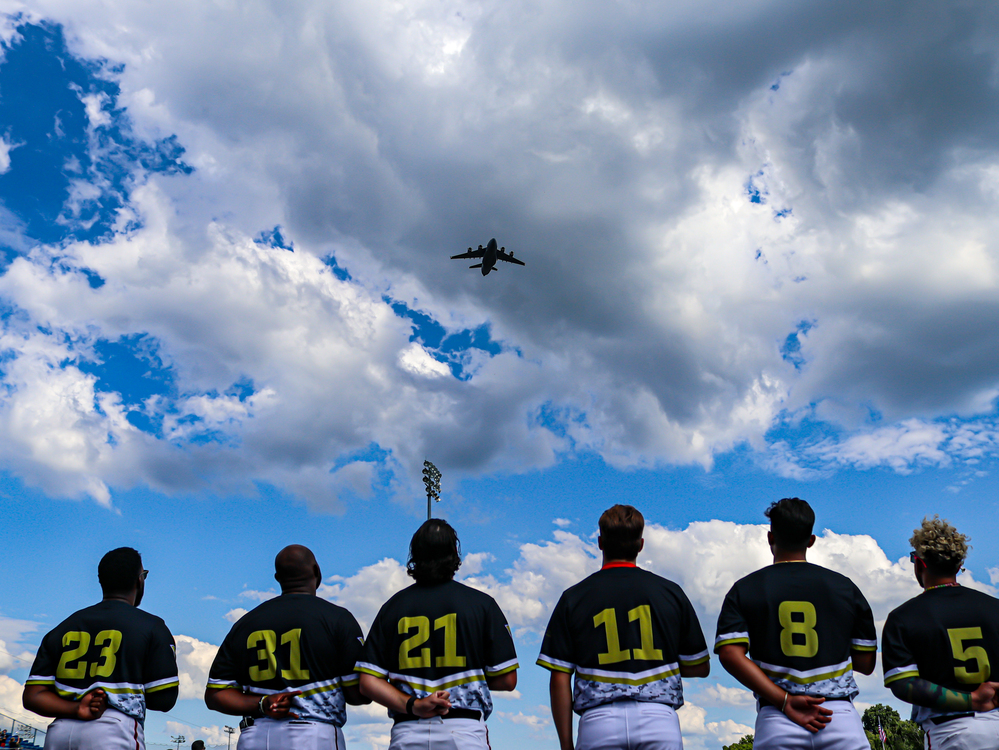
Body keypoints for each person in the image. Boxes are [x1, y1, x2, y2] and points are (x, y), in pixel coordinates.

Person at [537, 504, 709, 750]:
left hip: (598, 721)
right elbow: (700, 667)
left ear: (600, 542)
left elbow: (560, 676)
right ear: (640, 544)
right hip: (659, 718)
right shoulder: (671, 593)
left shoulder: (573, 597)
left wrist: (566, 744)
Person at [715, 498, 877, 750]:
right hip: (837, 714)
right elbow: (866, 664)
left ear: (770, 538)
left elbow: (729, 653)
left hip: (777, 715)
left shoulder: (745, 588)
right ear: (811, 540)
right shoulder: (844, 587)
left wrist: (785, 700)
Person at [357, 519, 518, 750]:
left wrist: (414, 704)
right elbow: (507, 679)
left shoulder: (392, 607)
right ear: (454, 552)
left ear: (415, 555)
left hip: (408, 728)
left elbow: (368, 682)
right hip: (463, 730)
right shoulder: (482, 604)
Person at [205, 545, 368, 749]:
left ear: (277, 578)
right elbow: (358, 695)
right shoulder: (339, 619)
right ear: (317, 571)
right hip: (314, 735)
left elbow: (215, 694)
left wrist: (262, 703)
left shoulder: (245, 623)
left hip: (255, 736)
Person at [23, 547, 178, 750]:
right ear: (139, 580)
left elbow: (33, 696)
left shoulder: (63, 627)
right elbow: (163, 700)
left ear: (101, 581)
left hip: (59, 730)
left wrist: (77, 707)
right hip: (112, 728)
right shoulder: (152, 626)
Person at [882, 516, 999, 748]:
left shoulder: (904, 617)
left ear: (919, 563)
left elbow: (904, 684)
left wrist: (972, 700)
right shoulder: (995, 607)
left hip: (952, 732)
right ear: (958, 565)